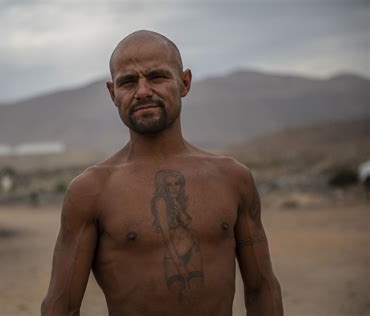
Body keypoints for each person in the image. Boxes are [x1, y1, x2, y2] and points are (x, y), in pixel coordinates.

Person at [41, 30, 283, 315]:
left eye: (157, 77)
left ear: (185, 82)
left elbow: (261, 289)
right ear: (112, 93)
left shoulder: (232, 179)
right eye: (128, 82)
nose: (142, 91)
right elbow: (62, 306)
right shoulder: (91, 190)